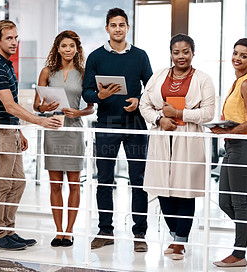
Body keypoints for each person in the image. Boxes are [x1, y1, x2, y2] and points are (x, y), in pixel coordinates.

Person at [0, 20, 63, 251]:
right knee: (2, 184)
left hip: (10, 130)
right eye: (9, 38)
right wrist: (39, 120)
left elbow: (12, 105)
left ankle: (8, 230)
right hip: (0, 131)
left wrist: (19, 131)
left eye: (16, 38)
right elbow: (9, 105)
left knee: (17, 183)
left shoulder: (7, 64)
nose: (15, 42)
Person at [82, 7, 152, 252]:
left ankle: (140, 233)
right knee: (104, 179)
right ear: (107, 28)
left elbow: (151, 89)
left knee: (139, 180)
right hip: (107, 124)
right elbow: (86, 92)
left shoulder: (140, 56)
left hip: (136, 125)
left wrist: (139, 100)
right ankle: (105, 230)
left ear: (128, 28)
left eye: (122, 25)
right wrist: (98, 95)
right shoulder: (95, 57)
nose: (118, 29)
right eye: (114, 25)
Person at [139, 34, 215, 260]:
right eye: (176, 52)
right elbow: (145, 104)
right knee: (162, 189)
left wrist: (179, 113)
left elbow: (208, 113)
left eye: (185, 52)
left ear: (193, 53)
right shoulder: (159, 76)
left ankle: (180, 241)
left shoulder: (203, 79)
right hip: (162, 137)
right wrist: (159, 119)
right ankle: (174, 234)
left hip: (188, 139)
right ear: (171, 53)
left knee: (184, 191)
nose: (181, 56)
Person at [210, 38, 247, 267]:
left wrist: (230, 129)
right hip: (233, 147)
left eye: (244, 55)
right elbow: (240, 117)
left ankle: (238, 253)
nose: (237, 58)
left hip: (244, 148)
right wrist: (222, 127)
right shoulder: (237, 82)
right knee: (226, 202)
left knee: (239, 202)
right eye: (235, 53)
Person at [33, 30, 94, 247]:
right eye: (64, 46)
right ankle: (58, 231)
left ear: (77, 49)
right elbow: (36, 105)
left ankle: (69, 231)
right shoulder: (47, 72)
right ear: (57, 48)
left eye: (72, 46)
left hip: (74, 130)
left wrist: (79, 113)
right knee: (56, 185)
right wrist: (44, 107)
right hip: (54, 128)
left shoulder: (85, 73)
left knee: (75, 184)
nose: (68, 50)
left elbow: (90, 108)